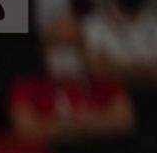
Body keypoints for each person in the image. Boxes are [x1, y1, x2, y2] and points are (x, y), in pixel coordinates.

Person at [9, 14, 135, 142]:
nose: (66, 51)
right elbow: (26, 129)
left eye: (72, 44)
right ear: (44, 49)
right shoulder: (27, 86)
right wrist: (82, 122)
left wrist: (57, 125)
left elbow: (124, 121)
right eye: (58, 44)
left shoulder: (104, 82)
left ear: (83, 49)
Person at [82, 0, 157, 90]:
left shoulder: (154, 24)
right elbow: (97, 72)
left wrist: (117, 66)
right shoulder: (93, 25)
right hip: (109, 102)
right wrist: (146, 69)